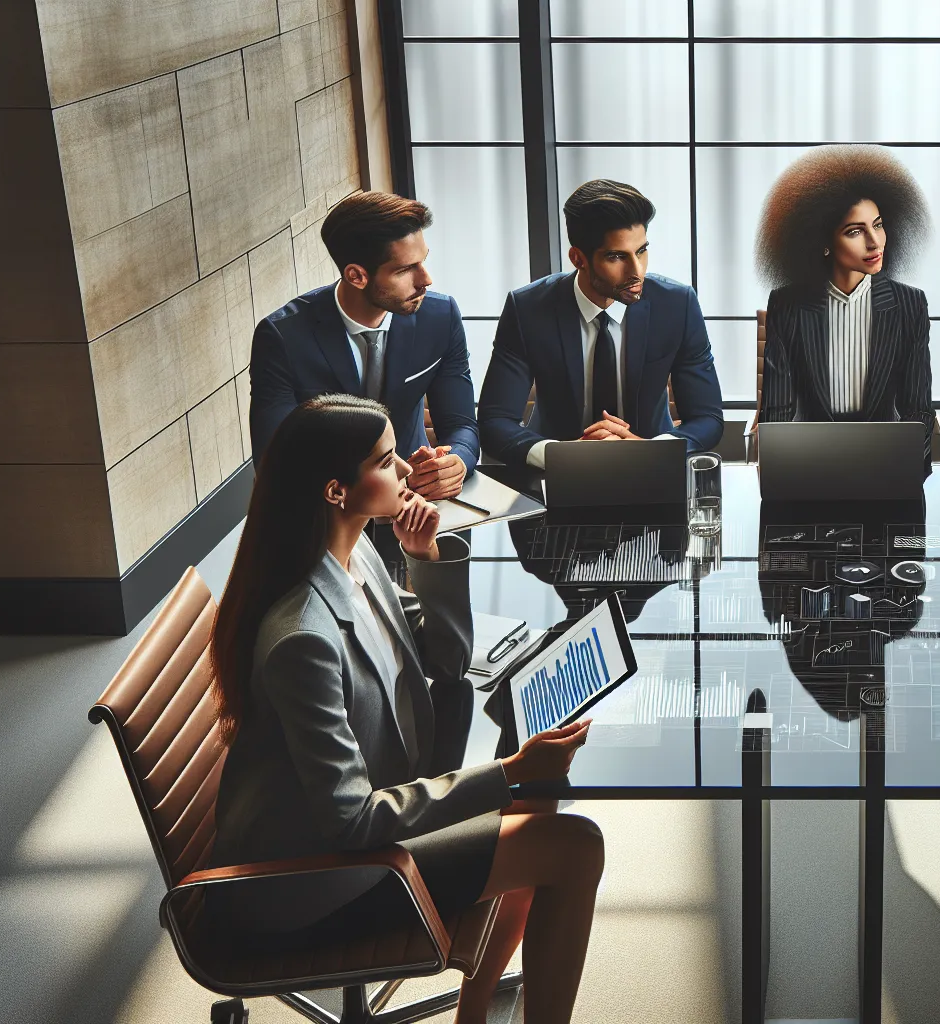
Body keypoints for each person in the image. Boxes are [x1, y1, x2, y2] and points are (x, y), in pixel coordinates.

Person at [208, 395, 603, 1024]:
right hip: (313, 880)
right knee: (573, 844)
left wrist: (423, 559)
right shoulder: (303, 637)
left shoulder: (356, 552)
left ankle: (473, 1014)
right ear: (338, 490)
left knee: (540, 795)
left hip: (363, 813)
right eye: (387, 461)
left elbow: (447, 661)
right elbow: (351, 823)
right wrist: (505, 773)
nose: (407, 472)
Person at [479, 180, 724, 467]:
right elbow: (495, 422)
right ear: (578, 258)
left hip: (651, 472)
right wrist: (563, 455)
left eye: (641, 250)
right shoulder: (528, 309)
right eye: (617, 256)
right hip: (556, 476)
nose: (637, 271)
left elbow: (707, 418)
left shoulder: (677, 305)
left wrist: (651, 450)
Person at [249, 191, 475, 500]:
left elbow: (462, 424)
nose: (426, 279)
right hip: (325, 507)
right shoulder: (282, 337)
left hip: (417, 499)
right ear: (356, 275)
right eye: (405, 269)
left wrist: (455, 462)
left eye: (423, 261)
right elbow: (273, 458)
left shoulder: (440, 317)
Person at [755, 145, 936, 466]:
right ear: (824, 244)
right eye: (855, 231)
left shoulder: (910, 304)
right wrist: (782, 472)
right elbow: (776, 412)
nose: (875, 241)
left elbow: (918, 407)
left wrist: (905, 465)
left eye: (878, 225)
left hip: (888, 464)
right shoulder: (788, 305)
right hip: (808, 464)